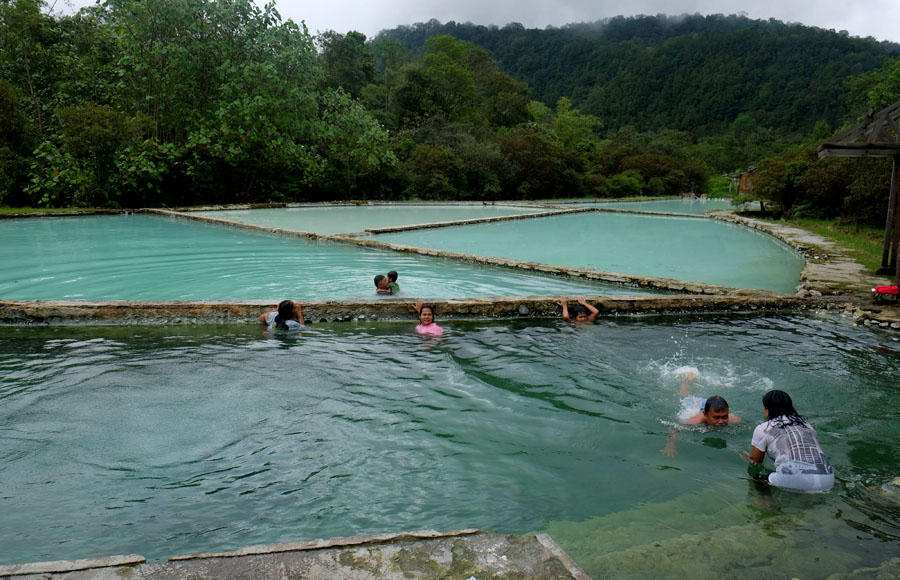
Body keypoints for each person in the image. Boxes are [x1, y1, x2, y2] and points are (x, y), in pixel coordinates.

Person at [743, 390, 834, 493]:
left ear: (767, 409)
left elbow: (756, 461)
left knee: (756, 475)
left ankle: (765, 501)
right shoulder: (807, 426)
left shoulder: (763, 428)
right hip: (828, 480)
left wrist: (746, 457)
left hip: (795, 480)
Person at [662, 371, 739, 456]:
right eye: (716, 418)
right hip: (692, 404)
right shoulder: (695, 421)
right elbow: (674, 428)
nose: (721, 421)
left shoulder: (734, 419)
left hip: (711, 407)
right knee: (684, 396)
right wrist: (671, 444)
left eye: (724, 417)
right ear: (705, 415)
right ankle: (687, 380)